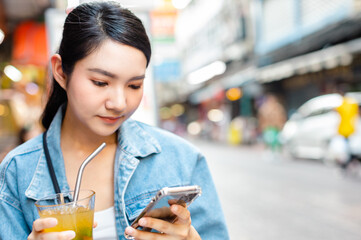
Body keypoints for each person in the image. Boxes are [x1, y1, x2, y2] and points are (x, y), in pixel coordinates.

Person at [0, 2, 229, 240]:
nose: (119, 103)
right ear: (60, 71)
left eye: (134, 85)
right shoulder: (18, 171)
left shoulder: (180, 159)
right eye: (100, 82)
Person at [334, 90, 359, 169]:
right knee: (350, 147)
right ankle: (352, 161)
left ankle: (347, 163)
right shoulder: (353, 104)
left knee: (345, 149)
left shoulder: (341, 104)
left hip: (343, 130)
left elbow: (336, 113)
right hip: (352, 129)